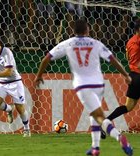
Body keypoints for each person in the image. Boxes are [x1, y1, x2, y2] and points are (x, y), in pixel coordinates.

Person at [34, 19, 133, 155]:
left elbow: (46, 58)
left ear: (73, 31)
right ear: (87, 30)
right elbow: (112, 59)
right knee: (94, 113)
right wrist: (125, 75)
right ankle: (95, 148)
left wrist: (39, 76)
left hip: (83, 85)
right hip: (99, 84)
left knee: (99, 116)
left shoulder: (68, 43)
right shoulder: (95, 43)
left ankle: (120, 137)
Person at [0, 34, 31, 137]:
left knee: (20, 108)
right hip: (1, 82)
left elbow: (8, 72)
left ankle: (26, 129)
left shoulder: (7, 53)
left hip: (14, 82)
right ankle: (8, 109)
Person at [100, 18, 140, 140]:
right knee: (128, 106)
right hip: (138, 76)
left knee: (128, 106)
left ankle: (105, 122)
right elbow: (137, 63)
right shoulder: (136, 43)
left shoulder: (131, 41)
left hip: (135, 76)